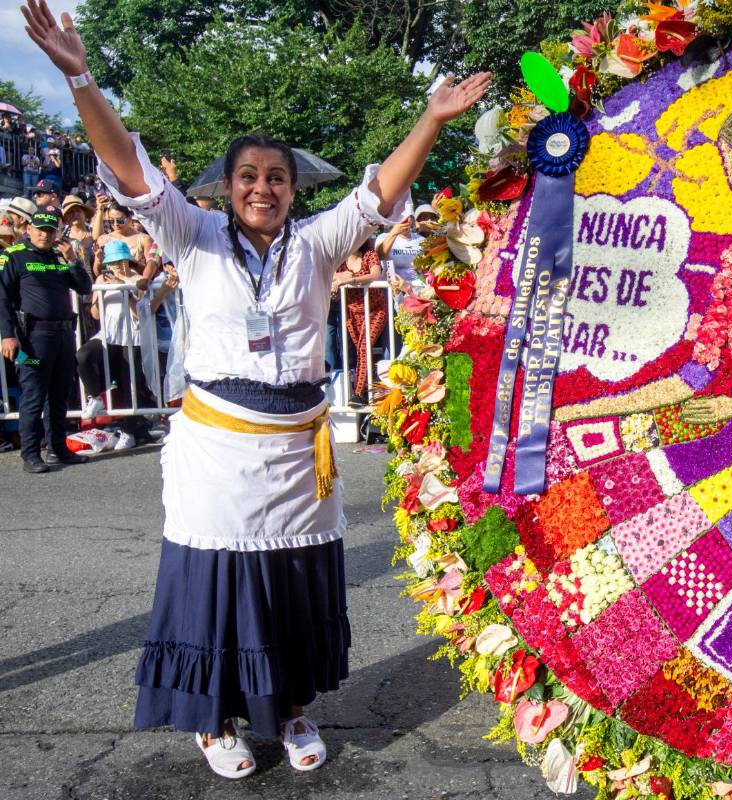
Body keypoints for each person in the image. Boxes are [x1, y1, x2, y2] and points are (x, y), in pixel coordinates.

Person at [22, 0, 491, 778]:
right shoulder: (192, 235)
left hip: (298, 458)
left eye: (275, 177)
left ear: (291, 188)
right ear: (227, 187)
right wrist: (80, 80)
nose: (262, 188)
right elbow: (132, 170)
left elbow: (377, 199)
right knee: (218, 586)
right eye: (248, 176)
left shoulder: (315, 244)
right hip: (219, 453)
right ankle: (216, 723)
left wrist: (432, 119)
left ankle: (293, 709)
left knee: (292, 587)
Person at [0, 204, 92, 473]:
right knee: (34, 395)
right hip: (33, 337)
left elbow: (84, 287)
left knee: (59, 394)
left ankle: (58, 449)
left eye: (50, 231)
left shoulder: (58, 256)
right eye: (40, 230)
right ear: (29, 229)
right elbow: (2, 299)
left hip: (63, 334)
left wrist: (73, 259)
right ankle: (30, 455)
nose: (45, 235)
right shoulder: (13, 256)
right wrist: (7, 335)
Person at [76, 239, 172, 418]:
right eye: (111, 262)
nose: (116, 266)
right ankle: (95, 397)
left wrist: (125, 290)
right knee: (83, 356)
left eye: (120, 261)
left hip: (132, 336)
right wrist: (99, 292)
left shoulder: (138, 280)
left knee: (130, 385)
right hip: (108, 335)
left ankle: (131, 430)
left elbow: (140, 314)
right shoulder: (102, 279)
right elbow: (96, 315)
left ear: (128, 259)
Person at [327, 237, 385, 401]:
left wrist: (351, 279)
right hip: (352, 311)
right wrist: (336, 281)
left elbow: (375, 274)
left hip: (375, 309)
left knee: (364, 348)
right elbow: (325, 274)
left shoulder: (369, 254)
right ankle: (369, 389)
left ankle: (358, 394)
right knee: (359, 351)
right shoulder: (339, 260)